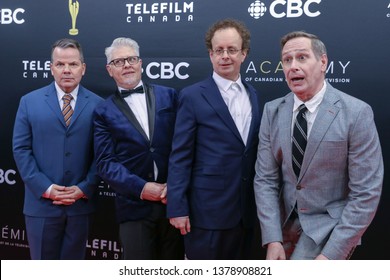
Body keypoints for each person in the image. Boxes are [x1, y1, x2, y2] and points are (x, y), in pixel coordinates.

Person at [254, 31, 383, 260]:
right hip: (282, 227)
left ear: (323, 62)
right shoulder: (272, 111)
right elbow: (265, 180)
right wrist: (272, 238)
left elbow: (366, 193)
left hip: (330, 230)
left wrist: (331, 255)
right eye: (287, 60)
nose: (293, 66)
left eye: (302, 57)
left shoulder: (356, 113)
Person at [167, 19, 263, 259]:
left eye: (232, 50)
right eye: (219, 50)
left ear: (244, 54)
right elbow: (180, 157)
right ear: (211, 55)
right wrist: (177, 207)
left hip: (246, 212)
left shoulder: (253, 94)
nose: (225, 56)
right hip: (206, 214)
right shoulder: (191, 96)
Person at [93, 37, 184, 260]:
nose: (126, 65)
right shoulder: (102, 111)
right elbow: (105, 163)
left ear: (140, 63)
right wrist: (143, 188)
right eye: (118, 61)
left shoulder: (170, 96)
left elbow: (185, 145)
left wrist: (175, 185)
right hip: (133, 207)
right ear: (109, 69)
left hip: (174, 203)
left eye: (131, 59)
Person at [12, 38, 103, 259]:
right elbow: (21, 149)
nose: (67, 70)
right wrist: (46, 188)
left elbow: (102, 154)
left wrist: (84, 188)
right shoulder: (29, 102)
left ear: (83, 68)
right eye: (60, 64)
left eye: (73, 64)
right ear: (51, 68)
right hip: (41, 205)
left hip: (80, 206)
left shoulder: (100, 105)